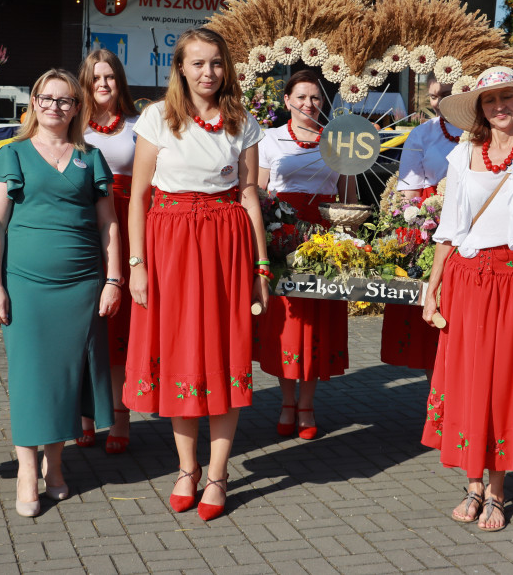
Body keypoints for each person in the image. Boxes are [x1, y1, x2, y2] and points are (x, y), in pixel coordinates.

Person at [124, 27, 269, 521]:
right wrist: (137, 265)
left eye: (216, 63)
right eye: (199, 63)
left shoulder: (241, 122)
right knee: (181, 355)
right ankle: (186, 468)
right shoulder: (157, 119)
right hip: (170, 246)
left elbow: (249, 194)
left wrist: (260, 266)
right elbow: (139, 198)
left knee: (226, 356)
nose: (209, 73)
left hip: (226, 245)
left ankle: (217, 474)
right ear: (180, 69)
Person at [420, 67, 513, 532]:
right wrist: (433, 286)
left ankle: (498, 492)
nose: (499, 106)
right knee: (467, 381)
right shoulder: (463, 155)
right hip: (464, 279)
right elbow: (449, 228)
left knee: (504, 383)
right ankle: (472, 484)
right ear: (479, 109)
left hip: (512, 280)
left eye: (507, 97)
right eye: (489, 100)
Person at [0, 69, 123, 517]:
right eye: (46, 98)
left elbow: (109, 224)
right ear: (34, 103)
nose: (55, 107)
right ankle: (27, 470)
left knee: (66, 380)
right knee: (29, 379)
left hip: (82, 287)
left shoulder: (91, 157)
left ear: (77, 107)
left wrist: (114, 279)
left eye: (65, 100)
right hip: (26, 286)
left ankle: (56, 466)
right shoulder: (13, 156)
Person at [255, 69, 357, 440]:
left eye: (315, 98)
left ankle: (307, 404)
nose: (308, 104)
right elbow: (261, 189)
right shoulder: (269, 139)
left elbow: (348, 195)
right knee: (287, 320)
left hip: (325, 238)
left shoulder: (338, 141)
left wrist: (349, 241)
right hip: (281, 234)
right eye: (300, 97)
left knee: (316, 320)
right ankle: (285, 401)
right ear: (287, 101)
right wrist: (266, 233)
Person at [75, 48, 140, 454]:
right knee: (82, 325)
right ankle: (84, 416)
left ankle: (120, 417)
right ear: (85, 83)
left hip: (128, 224)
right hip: (81, 228)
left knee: (118, 327)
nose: (103, 84)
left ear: (120, 82)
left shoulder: (139, 124)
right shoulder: (71, 125)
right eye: (96, 77)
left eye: (110, 77)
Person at [379, 73, 462, 380]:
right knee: (434, 315)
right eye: (433, 96)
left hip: (474, 227)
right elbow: (408, 191)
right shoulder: (423, 133)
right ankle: (435, 402)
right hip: (432, 224)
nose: (439, 102)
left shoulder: (485, 128)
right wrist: (414, 220)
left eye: (447, 93)